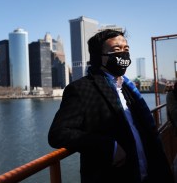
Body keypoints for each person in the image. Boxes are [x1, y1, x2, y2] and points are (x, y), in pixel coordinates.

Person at [48, 29, 174, 183]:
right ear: (100, 57)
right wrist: (109, 147)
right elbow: (58, 133)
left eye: (126, 49)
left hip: (149, 175)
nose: (123, 54)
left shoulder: (129, 88)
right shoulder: (81, 89)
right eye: (116, 50)